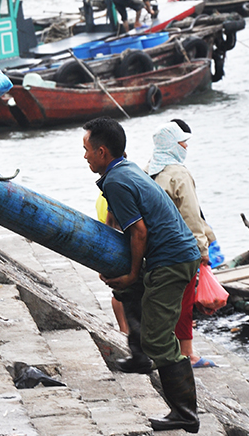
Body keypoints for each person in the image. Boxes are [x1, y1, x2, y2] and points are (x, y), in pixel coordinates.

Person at [83, 117, 201, 433]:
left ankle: (186, 414)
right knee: (138, 308)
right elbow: (121, 218)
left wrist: (133, 273)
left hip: (171, 260)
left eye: (87, 150)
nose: (85, 157)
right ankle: (154, 374)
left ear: (102, 151)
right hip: (178, 254)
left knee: (158, 338)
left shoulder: (116, 181)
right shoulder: (126, 169)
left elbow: (138, 231)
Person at [148, 120, 217, 369]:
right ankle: (188, 353)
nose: (186, 146)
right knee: (184, 302)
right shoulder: (179, 174)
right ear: (172, 145)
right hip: (181, 249)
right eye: (182, 142)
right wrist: (203, 251)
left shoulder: (150, 172)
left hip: (155, 248)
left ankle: (172, 348)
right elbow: (190, 215)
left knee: (165, 303)